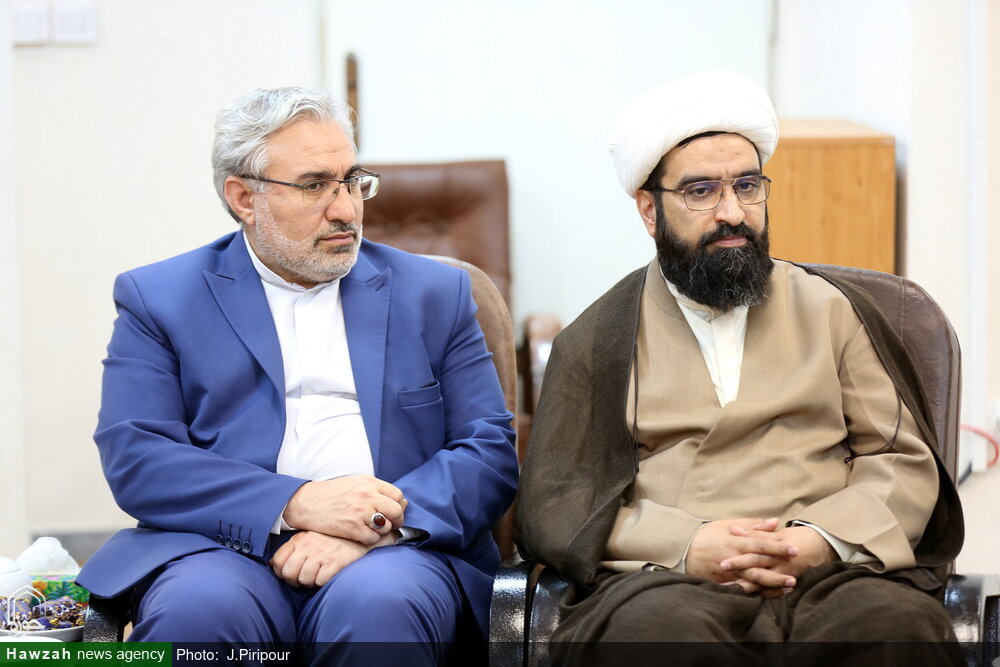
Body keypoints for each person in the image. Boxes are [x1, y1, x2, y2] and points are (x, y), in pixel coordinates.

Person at [514, 70, 964, 665]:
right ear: (649, 209)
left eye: (747, 186)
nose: (733, 212)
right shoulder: (597, 340)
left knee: (894, 629)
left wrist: (821, 539)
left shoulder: (833, 309)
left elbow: (900, 459)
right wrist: (687, 544)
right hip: (665, 584)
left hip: (834, 575)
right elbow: (557, 504)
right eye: (701, 191)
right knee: (653, 639)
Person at [77, 86, 518, 665]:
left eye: (352, 181)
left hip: (396, 552)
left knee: (380, 608)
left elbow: (487, 452)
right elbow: (139, 458)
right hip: (221, 546)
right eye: (315, 186)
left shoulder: (434, 294)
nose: (346, 210)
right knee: (198, 614)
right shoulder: (159, 298)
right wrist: (298, 503)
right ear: (244, 197)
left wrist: (374, 526)